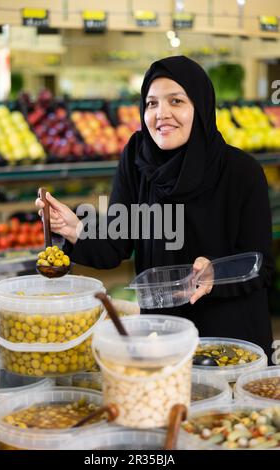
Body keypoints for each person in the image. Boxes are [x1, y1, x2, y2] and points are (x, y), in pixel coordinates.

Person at [36, 56, 274, 360]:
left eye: (176, 101)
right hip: (161, 335)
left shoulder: (241, 171)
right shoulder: (138, 159)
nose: (162, 114)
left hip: (229, 339)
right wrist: (74, 229)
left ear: (200, 107)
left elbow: (262, 267)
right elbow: (114, 244)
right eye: (151, 104)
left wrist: (218, 272)